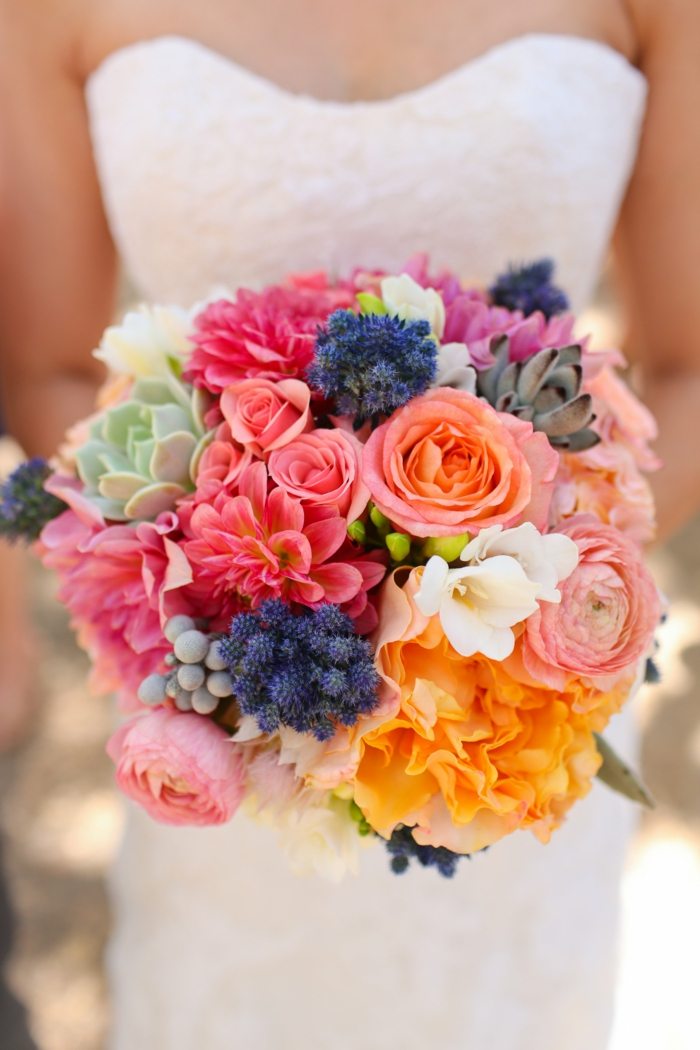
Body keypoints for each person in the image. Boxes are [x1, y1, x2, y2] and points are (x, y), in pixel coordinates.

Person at [1, 1, 698, 1048]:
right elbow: (49, 370)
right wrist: (220, 563)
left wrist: (532, 599)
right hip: (233, 694)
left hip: (510, 701)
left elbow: (688, 367)